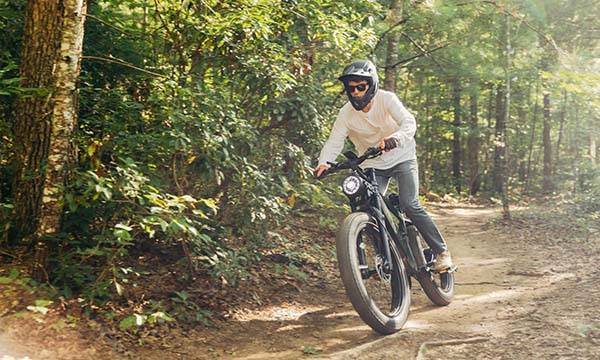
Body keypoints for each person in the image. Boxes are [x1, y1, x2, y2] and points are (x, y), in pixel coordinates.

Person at [315, 59, 453, 272]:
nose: (356, 92)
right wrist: (324, 163)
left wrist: (396, 138)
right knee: (368, 207)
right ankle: (391, 254)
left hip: (402, 156)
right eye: (351, 88)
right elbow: (335, 141)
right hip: (372, 164)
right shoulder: (345, 114)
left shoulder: (387, 99)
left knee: (410, 204)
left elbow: (409, 122)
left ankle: (441, 251)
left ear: (372, 85)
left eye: (361, 86)